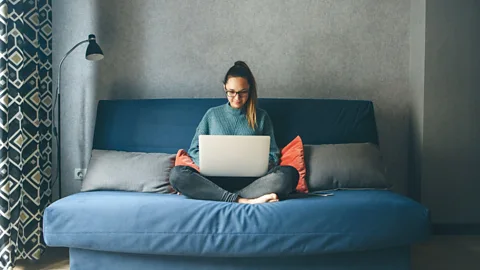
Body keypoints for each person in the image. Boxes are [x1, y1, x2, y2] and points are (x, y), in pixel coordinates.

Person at [169, 61, 298, 204]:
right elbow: (194, 149)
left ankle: (229, 197)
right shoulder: (212, 115)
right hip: (213, 182)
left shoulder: (261, 117)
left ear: (250, 89)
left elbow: (273, 154)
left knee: (289, 175)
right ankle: (242, 200)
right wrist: (209, 164)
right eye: (231, 92)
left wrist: (260, 164)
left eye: (243, 92)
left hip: (252, 183)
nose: (237, 98)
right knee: (177, 175)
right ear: (224, 87)